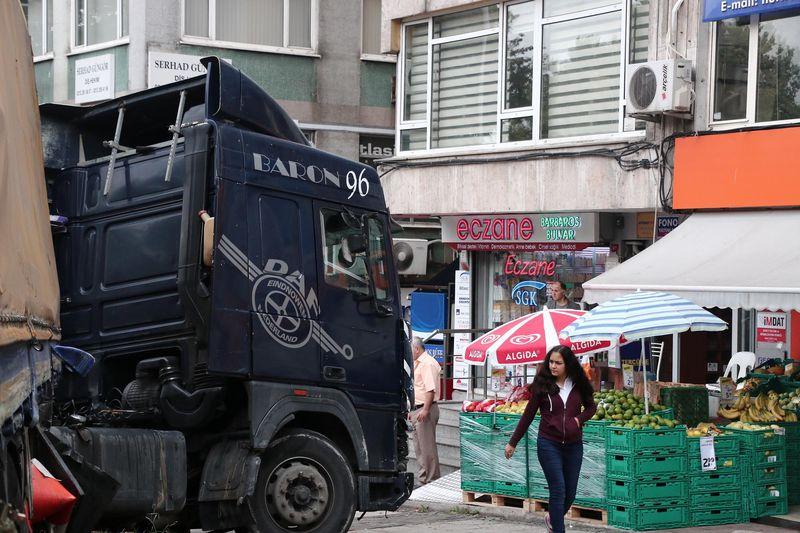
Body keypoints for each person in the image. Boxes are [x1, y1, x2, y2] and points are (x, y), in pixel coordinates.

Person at [505, 345, 597, 533]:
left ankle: (552, 518)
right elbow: (528, 415)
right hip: (549, 444)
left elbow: (591, 408)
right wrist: (513, 442)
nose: (553, 366)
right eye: (551, 362)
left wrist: (578, 420)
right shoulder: (542, 385)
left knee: (570, 493)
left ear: (568, 364)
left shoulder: (579, 383)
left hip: (574, 445)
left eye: (558, 363)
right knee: (558, 489)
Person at [410, 336, 442, 484]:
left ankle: (432, 479)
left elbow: (430, 390)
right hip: (418, 409)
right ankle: (424, 479)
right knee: (420, 448)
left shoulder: (427, 364)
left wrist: (425, 410)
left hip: (425, 409)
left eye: (410, 350)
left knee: (427, 448)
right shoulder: (418, 363)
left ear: (417, 349)